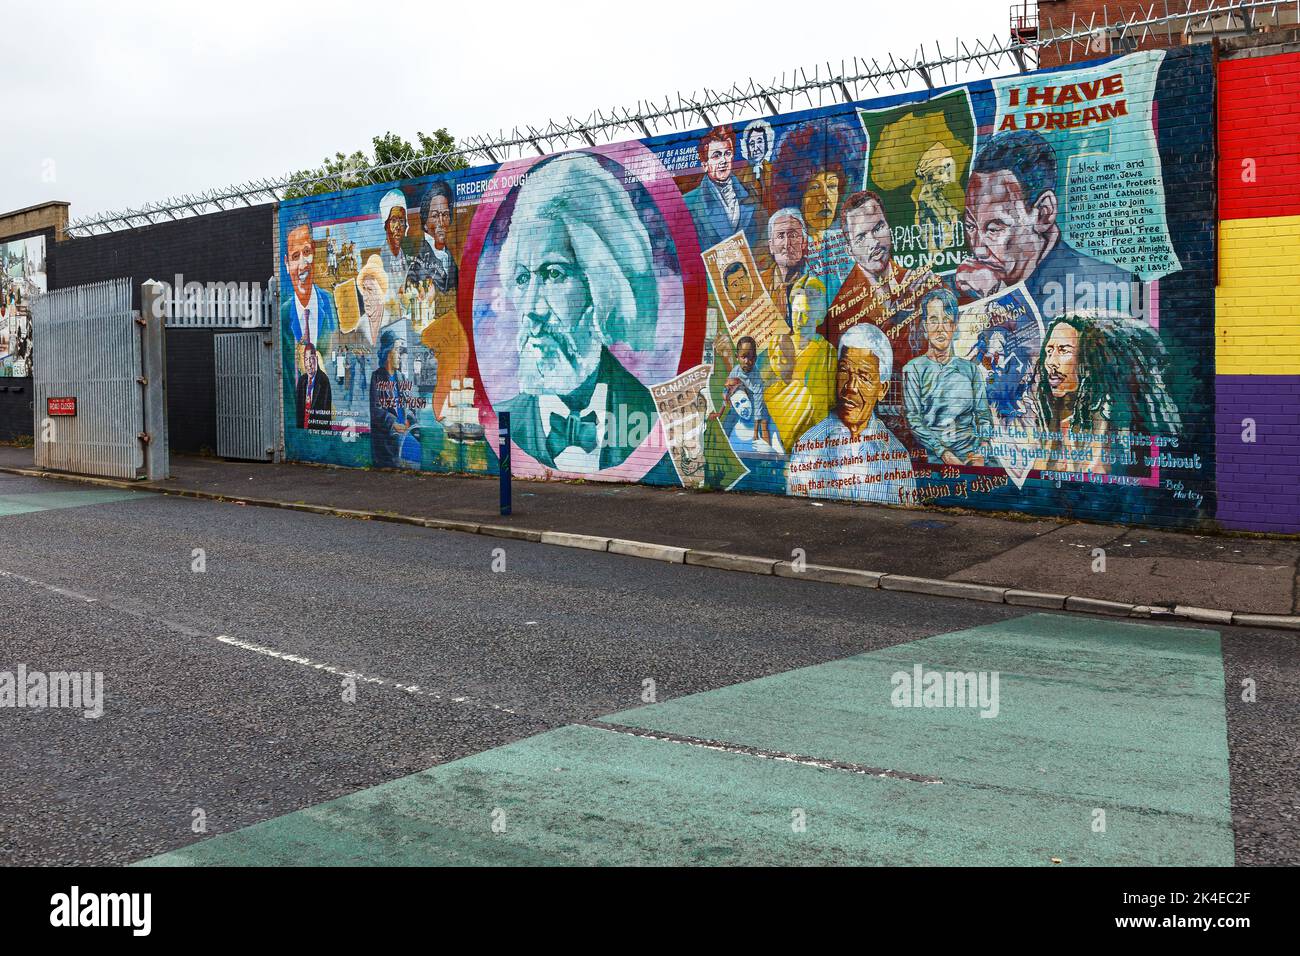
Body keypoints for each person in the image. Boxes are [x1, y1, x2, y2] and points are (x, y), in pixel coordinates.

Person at [494, 152, 661, 473]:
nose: (531, 308)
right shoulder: (506, 421)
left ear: (602, 285)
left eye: (554, 274)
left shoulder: (651, 414)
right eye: (523, 278)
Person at [957, 130, 1132, 316]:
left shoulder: (1101, 286)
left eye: (994, 229)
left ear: (1043, 214)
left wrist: (996, 295)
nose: (978, 250)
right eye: (970, 226)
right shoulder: (972, 285)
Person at [787, 322, 917, 503]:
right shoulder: (809, 445)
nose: (851, 387)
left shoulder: (895, 455)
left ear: (882, 389)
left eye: (864, 377)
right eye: (844, 371)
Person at [1036, 313, 1180, 475]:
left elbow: (1099, 472)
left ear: (1091, 357)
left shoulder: (1117, 420)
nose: (1051, 362)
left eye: (1063, 350)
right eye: (1049, 351)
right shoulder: (1061, 422)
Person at [902, 288, 991, 466]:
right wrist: (944, 453)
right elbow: (913, 420)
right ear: (925, 326)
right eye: (934, 320)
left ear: (954, 327)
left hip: (972, 456)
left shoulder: (970, 370)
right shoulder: (913, 370)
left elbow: (983, 416)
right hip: (935, 459)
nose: (940, 328)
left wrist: (983, 448)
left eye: (947, 320)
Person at [685, 126, 758, 251]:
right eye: (716, 156)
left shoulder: (750, 194)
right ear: (704, 165)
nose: (723, 160)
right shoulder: (688, 203)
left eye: (727, 154)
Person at [281, 215, 338, 371]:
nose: (302, 264)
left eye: (306, 252)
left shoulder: (329, 302)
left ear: (313, 250)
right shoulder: (283, 315)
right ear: (287, 264)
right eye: (295, 256)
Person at [369, 329, 417, 468]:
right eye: (397, 350)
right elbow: (376, 410)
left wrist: (409, 419)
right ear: (388, 353)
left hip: (404, 436)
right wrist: (394, 424)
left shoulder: (401, 377)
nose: (400, 355)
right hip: (387, 442)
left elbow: (409, 405)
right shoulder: (377, 377)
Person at [763, 333, 818, 448]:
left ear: (792, 359)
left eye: (783, 356)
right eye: (774, 357)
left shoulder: (804, 392)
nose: (778, 362)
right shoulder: (768, 394)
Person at [406, 181, 459, 297]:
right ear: (425, 223)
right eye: (435, 216)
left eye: (445, 214)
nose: (441, 221)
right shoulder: (417, 264)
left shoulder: (450, 260)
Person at [762, 209, 810, 329]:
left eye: (793, 235)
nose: (787, 244)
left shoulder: (816, 278)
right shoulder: (759, 284)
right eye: (780, 236)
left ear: (803, 242)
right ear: (771, 245)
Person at [728, 335, 771, 446]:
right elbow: (727, 388)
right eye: (744, 357)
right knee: (729, 420)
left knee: (764, 422)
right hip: (743, 401)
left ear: (755, 358)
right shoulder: (735, 371)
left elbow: (758, 406)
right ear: (737, 357)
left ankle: (768, 450)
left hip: (757, 403)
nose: (747, 361)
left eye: (751, 358)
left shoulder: (756, 379)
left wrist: (755, 432)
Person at [378, 189, 413, 300]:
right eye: (393, 220)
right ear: (385, 225)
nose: (398, 226)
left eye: (402, 221)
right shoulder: (381, 259)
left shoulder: (406, 255)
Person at [295, 342, 333, 431]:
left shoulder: (324, 381)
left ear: (316, 359)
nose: (309, 364)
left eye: (311, 359)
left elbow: (325, 415)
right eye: (306, 359)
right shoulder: (302, 381)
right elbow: (298, 410)